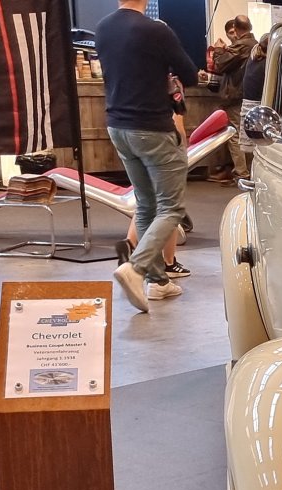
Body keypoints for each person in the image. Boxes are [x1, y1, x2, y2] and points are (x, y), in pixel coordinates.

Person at [97, 0, 200, 312]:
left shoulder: (103, 28)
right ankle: (136, 268)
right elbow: (190, 75)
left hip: (118, 127)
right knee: (171, 207)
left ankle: (158, 282)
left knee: (145, 205)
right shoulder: (156, 30)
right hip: (152, 128)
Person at [116, 75, 190, 279]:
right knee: (169, 208)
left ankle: (130, 244)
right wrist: (182, 149)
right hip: (161, 141)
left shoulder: (133, 80)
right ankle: (167, 262)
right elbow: (177, 121)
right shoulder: (170, 82)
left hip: (127, 134)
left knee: (146, 204)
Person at [209, 15, 256, 183]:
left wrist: (218, 50)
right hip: (249, 95)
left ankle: (242, 173)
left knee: (236, 135)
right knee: (249, 135)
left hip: (235, 96)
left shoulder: (241, 46)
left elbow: (220, 64)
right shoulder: (255, 45)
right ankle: (250, 170)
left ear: (235, 29)